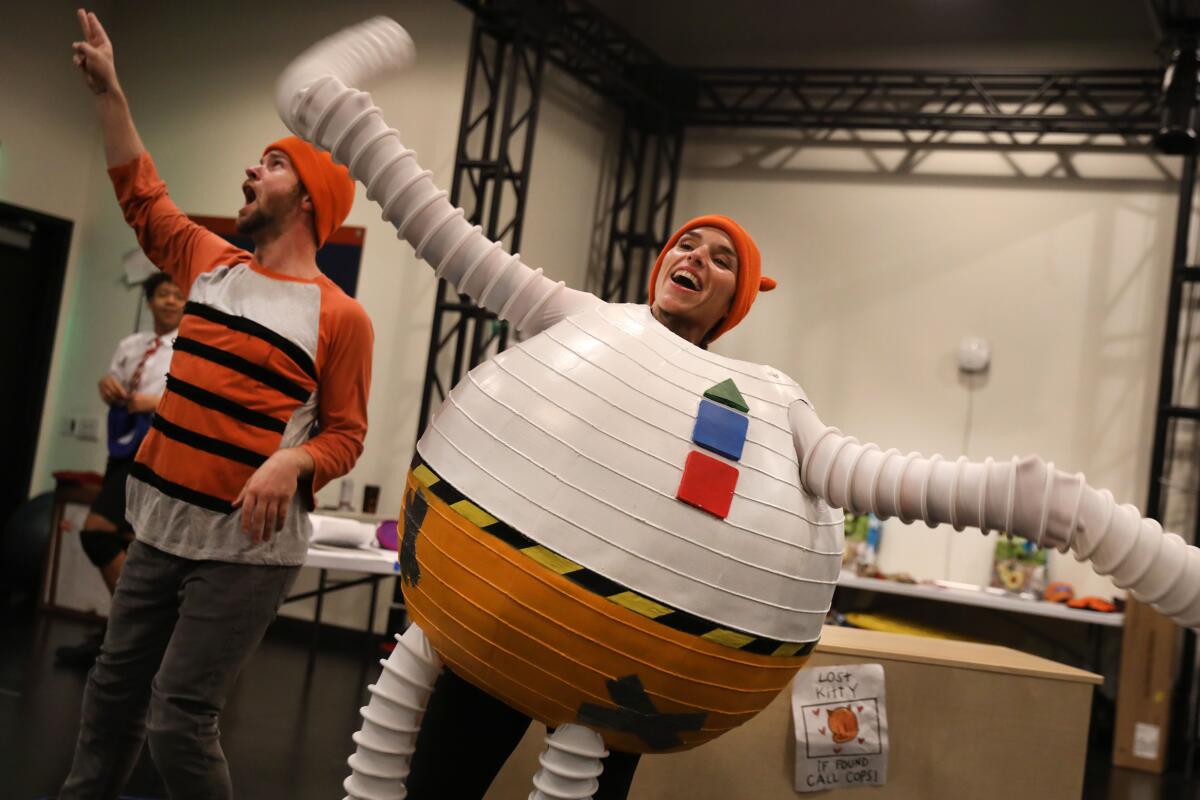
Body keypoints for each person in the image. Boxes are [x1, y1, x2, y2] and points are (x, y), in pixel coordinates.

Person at [271, 17, 1200, 800]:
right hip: (488, 618)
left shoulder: (770, 407)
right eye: (690, 242)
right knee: (434, 779)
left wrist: (1074, 515)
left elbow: (901, 481)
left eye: (722, 259)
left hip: (629, 668)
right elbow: (439, 226)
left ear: (733, 304)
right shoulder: (578, 321)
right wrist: (334, 106)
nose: (698, 257)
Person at [61, 9, 373, 799]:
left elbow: (345, 434)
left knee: (179, 718)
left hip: (244, 553)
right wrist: (111, 91)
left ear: (309, 198)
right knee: (110, 698)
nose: (248, 172)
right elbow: (141, 194)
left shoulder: (340, 315)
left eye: (269, 164)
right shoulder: (210, 261)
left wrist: (295, 460)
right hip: (158, 527)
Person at [55, 271, 183, 668]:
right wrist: (107, 387)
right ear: (149, 300)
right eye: (163, 294)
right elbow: (113, 381)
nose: (171, 301)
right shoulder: (131, 344)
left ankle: (137, 627)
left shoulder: (191, 347)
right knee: (128, 542)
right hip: (123, 446)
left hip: (157, 453)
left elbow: (189, 402)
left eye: (179, 295)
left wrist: (153, 403)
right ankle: (125, 638)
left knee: (97, 534)